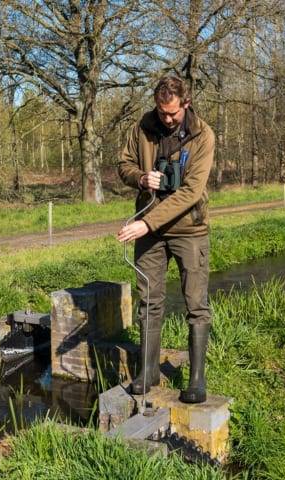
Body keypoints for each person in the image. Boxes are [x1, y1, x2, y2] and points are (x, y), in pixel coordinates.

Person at [117, 75, 214, 404]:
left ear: (186, 103)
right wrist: (142, 178)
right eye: (162, 112)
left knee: (196, 304)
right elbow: (124, 165)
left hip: (189, 230)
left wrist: (146, 224)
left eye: (173, 113)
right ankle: (148, 372)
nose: (167, 119)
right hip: (151, 231)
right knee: (149, 302)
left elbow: (190, 192)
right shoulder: (142, 127)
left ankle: (196, 380)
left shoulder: (203, 135)